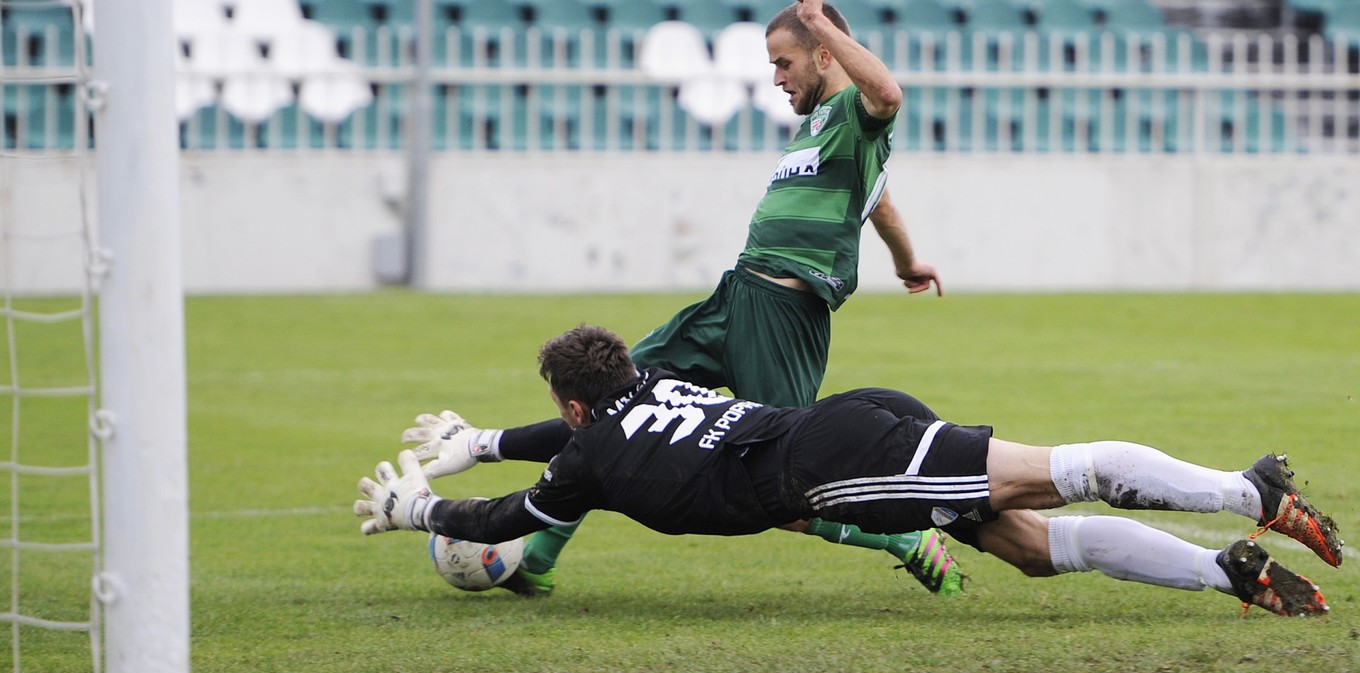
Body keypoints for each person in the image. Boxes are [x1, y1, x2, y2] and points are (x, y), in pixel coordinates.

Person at [404, 0, 953, 597]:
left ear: (824, 53)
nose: (776, 78)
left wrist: (820, 21)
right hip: (737, 295)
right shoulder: (821, 124)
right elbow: (883, 203)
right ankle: (537, 555)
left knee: (783, 482)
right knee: (611, 405)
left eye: (783, 62)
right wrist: (907, 262)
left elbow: (889, 95)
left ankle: (902, 536)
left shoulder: (855, 111)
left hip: (780, 314)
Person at [357, 325, 1344, 618]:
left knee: (1052, 474)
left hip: (833, 462)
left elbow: (504, 519)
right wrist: (484, 438)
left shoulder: (590, 454)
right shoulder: (644, 384)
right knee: (1033, 548)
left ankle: (1244, 494)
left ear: (576, 406)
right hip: (846, 421)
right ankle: (1226, 569)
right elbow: (562, 437)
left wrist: (417, 507)